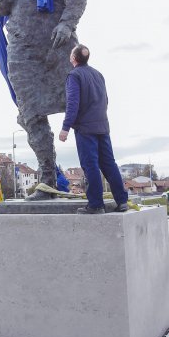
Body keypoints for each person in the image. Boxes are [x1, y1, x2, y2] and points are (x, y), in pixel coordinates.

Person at [0, 0, 89, 200]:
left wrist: (67, 22)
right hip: (21, 50)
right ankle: (47, 177)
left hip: (56, 45)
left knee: (82, 107)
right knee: (30, 113)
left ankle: (94, 178)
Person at [58, 44, 128, 214]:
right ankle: (122, 201)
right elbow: (105, 100)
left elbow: (72, 103)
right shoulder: (98, 74)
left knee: (90, 165)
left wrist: (65, 127)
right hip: (102, 126)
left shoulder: (74, 75)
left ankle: (96, 205)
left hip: (85, 128)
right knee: (109, 164)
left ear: (74, 58)